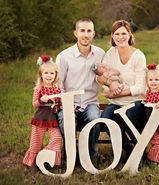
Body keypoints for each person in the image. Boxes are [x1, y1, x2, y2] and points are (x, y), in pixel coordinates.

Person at [56, 18, 105, 160]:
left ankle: (91, 154)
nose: (86, 34)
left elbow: (105, 76)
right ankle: (70, 153)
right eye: (82, 30)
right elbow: (58, 85)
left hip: (90, 102)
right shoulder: (64, 57)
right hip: (69, 103)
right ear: (75, 33)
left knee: (95, 118)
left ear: (93, 34)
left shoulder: (100, 54)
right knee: (66, 119)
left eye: (89, 31)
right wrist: (65, 104)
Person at [97, 20, 147, 159]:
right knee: (105, 120)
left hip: (136, 101)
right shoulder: (110, 54)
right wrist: (109, 83)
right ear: (112, 36)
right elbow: (100, 77)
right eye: (117, 34)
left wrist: (117, 93)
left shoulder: (138, 56)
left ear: (130, 35)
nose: (120, 37)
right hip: (116, 102)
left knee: (129, 117)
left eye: (124, 33)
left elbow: (140, 88)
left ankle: (140, 150)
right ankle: (127, 146)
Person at [23, 55, 62, 167]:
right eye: (46, 73)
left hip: (52, 117)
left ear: (55, 75)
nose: (49, 76)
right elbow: (34, 104)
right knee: (36, 140)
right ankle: (32, 160)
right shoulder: (38, 88)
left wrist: (61, 104)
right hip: (40, 117)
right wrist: (41, 100)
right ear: (41, 75)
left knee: (57, 138)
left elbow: (60, 104)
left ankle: (45, 156)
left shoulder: (57, 89)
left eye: (51, 73)